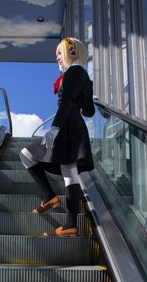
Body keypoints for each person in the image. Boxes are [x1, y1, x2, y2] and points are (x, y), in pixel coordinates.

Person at [19, 37, 95, 237]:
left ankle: (51, 198)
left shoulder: (74, 72)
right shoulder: (82, 75)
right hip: (74, 127)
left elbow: (66, 103)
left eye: (60, 53)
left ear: (72, 52)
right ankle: (65, 217)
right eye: (56, 57)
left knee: (26, 154)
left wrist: (54, 128)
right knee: (69, 173)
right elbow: (89, 112)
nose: (58, 59)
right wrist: (87, 95)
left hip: (66, 127)